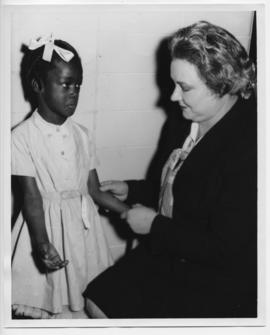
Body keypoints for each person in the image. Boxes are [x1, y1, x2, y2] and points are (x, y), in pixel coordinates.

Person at [83, 20, 257, 318]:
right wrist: (132, 189)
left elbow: (230, 250)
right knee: (96, 300)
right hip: (172, 250)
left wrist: (154, 226)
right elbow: (178, 188)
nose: (173, 96)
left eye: (185, 87)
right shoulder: (183, 120)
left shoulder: (250, 147)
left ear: (223, 84)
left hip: (218, 277)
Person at [11, 35, 129, 319]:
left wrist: (131, 212)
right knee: (55, 303)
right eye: (65, 84)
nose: (74, 92)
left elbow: (94, 191)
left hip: (85, 235)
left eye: (78, 85)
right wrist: (41, 243)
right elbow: (32, 198)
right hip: (46, 231)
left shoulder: (83, 135)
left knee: (88, 299)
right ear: (38, 86)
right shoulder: (21, 137)